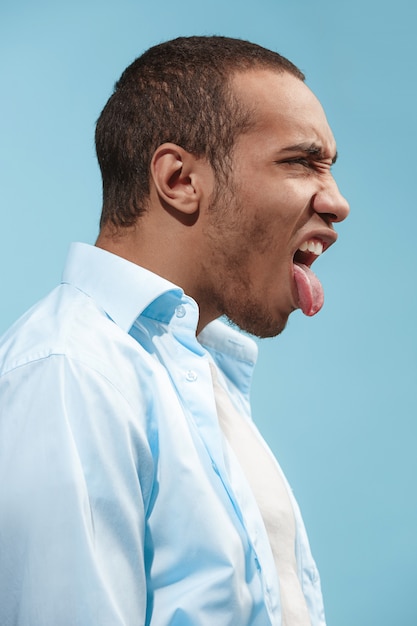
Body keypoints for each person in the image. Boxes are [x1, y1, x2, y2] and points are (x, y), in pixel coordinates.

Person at [0, 36, 349, 626]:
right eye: (300, 161)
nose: (337, 202)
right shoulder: (72, 373)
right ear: (180, 178)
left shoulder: (194, 376)